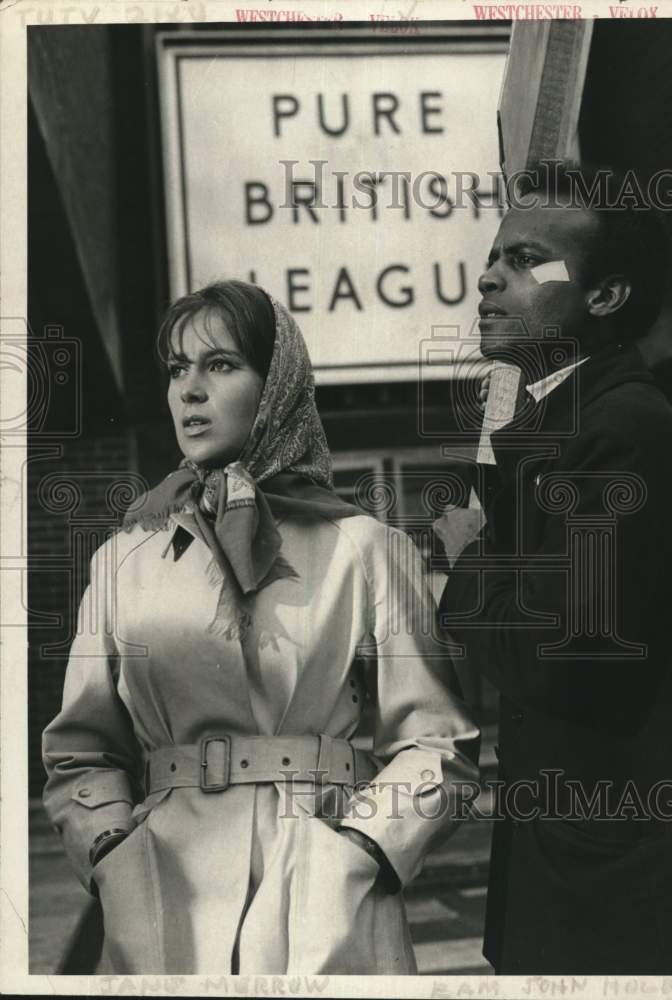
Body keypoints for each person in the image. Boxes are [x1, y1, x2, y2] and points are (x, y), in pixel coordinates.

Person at [43, 280, 480, 975]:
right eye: (176, 369)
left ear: (276, 383)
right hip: (160, 895)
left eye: (218, 365)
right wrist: (111, 853)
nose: (189, 390)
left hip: (322, 892)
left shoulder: (366, 549)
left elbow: (435, 743)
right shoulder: (123, 559)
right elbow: (81, 752)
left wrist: (362, 851)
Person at [439, 163, 672, 975]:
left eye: (527, 260)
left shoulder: (618, 433)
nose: (490, 277)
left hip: (622, 894)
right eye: (495, 255)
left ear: (603, 297)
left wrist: (467, 561)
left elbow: (556, 659)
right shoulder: (564, 428)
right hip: (580, 872)